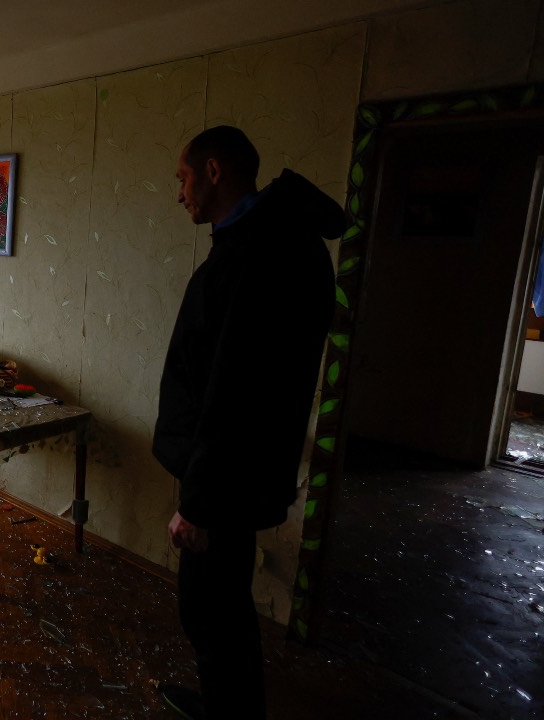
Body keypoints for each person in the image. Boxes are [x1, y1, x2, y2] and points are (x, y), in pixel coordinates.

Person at [152, 126, 345, 719]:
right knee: (220, 607)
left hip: (226, 479)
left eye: (184, 178)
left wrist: (201, 503)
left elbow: (238, 392)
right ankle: (225, 707)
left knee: (210, 608)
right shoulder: (266, 242)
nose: (179, 193)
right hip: (235, 471)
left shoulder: (263, 254)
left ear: (214, 172)